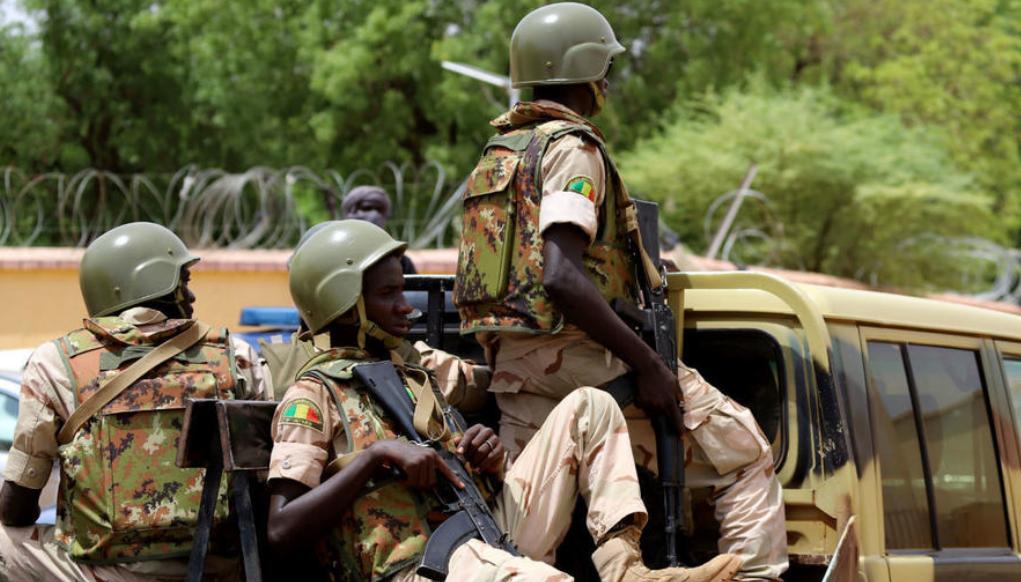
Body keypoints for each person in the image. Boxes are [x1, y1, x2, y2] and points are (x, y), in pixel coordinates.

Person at [452, 3, 787, 580]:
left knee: (524, 534)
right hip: (580, 359)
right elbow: (560, 274)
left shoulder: (500, 155)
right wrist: (649, 365)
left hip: (515, 368)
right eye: (603, 68)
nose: (607, 81)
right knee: (744, 450)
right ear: (584, 71)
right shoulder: (573, 149)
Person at [266, 219, 742, 581]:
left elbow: (461, 471)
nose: (405, 307)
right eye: (388, 294)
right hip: (420, 565)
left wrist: (485, 458)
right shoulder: (313, 395)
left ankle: (624, 568)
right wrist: (375, 457)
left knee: (591, 406)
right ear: (345, 304)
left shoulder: (411, 375)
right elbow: (281, 530)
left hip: (483, 533)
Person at [0, 222, 272, 581]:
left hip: (106, 573)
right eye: (184, 282)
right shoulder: (236, 356)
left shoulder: (56, 364)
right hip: (217, 568)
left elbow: (17, 508)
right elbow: (266, 486)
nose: (191, 296)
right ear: (153, 280)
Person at [343, 185, 417, 274]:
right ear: (351, 211)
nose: (374, 214)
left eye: (379, 210)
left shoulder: (400, 261)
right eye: (367, 208)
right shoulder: (337, 254)